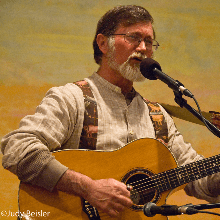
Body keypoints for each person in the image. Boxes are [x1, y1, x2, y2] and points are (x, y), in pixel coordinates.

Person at [1, 5, 220, 218]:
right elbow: (17, 147)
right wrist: (88, 188)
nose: (143, 48)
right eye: (134, 37)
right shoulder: (71, 98)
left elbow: (201, 181)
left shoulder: (158, 117)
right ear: (103, 43)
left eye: (149, 41)